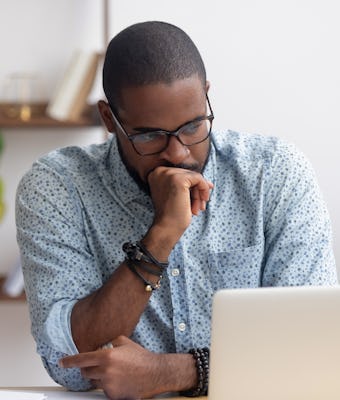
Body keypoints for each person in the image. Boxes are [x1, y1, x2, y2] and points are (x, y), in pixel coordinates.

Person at [16, 21, 337, 399]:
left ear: (206, 97)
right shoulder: (59, 185)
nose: (178, 153)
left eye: (192, 126)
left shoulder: (274, 173)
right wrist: (161, 235)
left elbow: (311, 347)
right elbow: (67, 362)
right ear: (108, 120)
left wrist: (169, 373)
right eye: (149, 135)